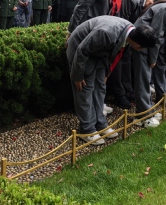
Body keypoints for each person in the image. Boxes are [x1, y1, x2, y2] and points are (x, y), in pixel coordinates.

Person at [66, 15, 157, 145]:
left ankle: (100, 123)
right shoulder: (107, 33)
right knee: (85, 89)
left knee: (100, 88)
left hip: (98, 54)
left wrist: (107, 72)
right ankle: (87, 129)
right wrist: (77, 76)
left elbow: (115, 53)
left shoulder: (130, 33)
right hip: (80, 53)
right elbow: (82, 50)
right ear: (138, 45)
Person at [107, 0, 154, 109]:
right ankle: (119, 94)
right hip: (119, 34)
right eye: (151, 1)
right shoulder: (131, 0)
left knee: (126, 61)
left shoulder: (143, 0)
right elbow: (120, 21)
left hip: (129, 34)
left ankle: (128, 90)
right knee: (117, 64)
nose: (151, 2)